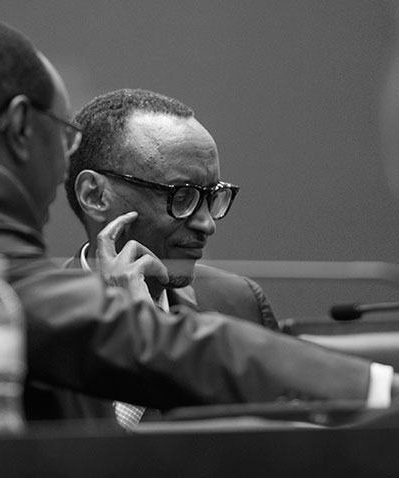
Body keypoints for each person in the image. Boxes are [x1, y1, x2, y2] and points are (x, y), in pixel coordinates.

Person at [0, 17, 399, 437]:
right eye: (65, 137)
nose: (68, 162)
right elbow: (124, 342)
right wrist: (373, 388)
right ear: (19, 127)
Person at [58, 88, 279, 425]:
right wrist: (138, 348)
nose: (206, 223)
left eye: (212, 196)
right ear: (95, 195)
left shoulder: (238, 304)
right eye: (182, 196)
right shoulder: (41, 322)